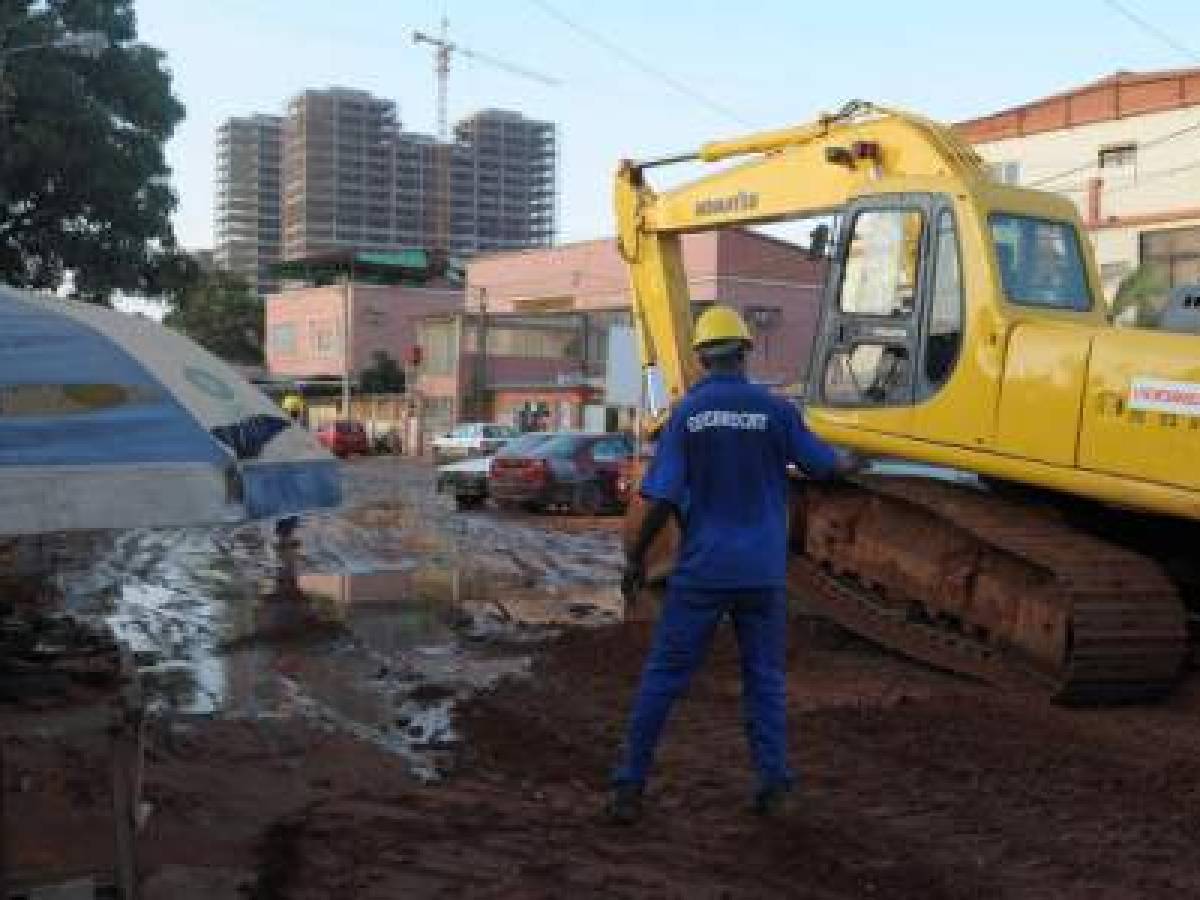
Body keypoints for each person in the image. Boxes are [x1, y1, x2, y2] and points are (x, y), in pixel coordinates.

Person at [608, 305, 853, 824]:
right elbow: (825, 464)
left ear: (699, 358)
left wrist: (636, 561)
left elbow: (662, 500)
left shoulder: (686, 417)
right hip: (762, 574)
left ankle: (628, 789)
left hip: (702, 573)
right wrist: (853, 462)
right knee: (764, 680)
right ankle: (776, 788)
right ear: (745, 352)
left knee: (665, 677)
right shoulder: (775, 410)